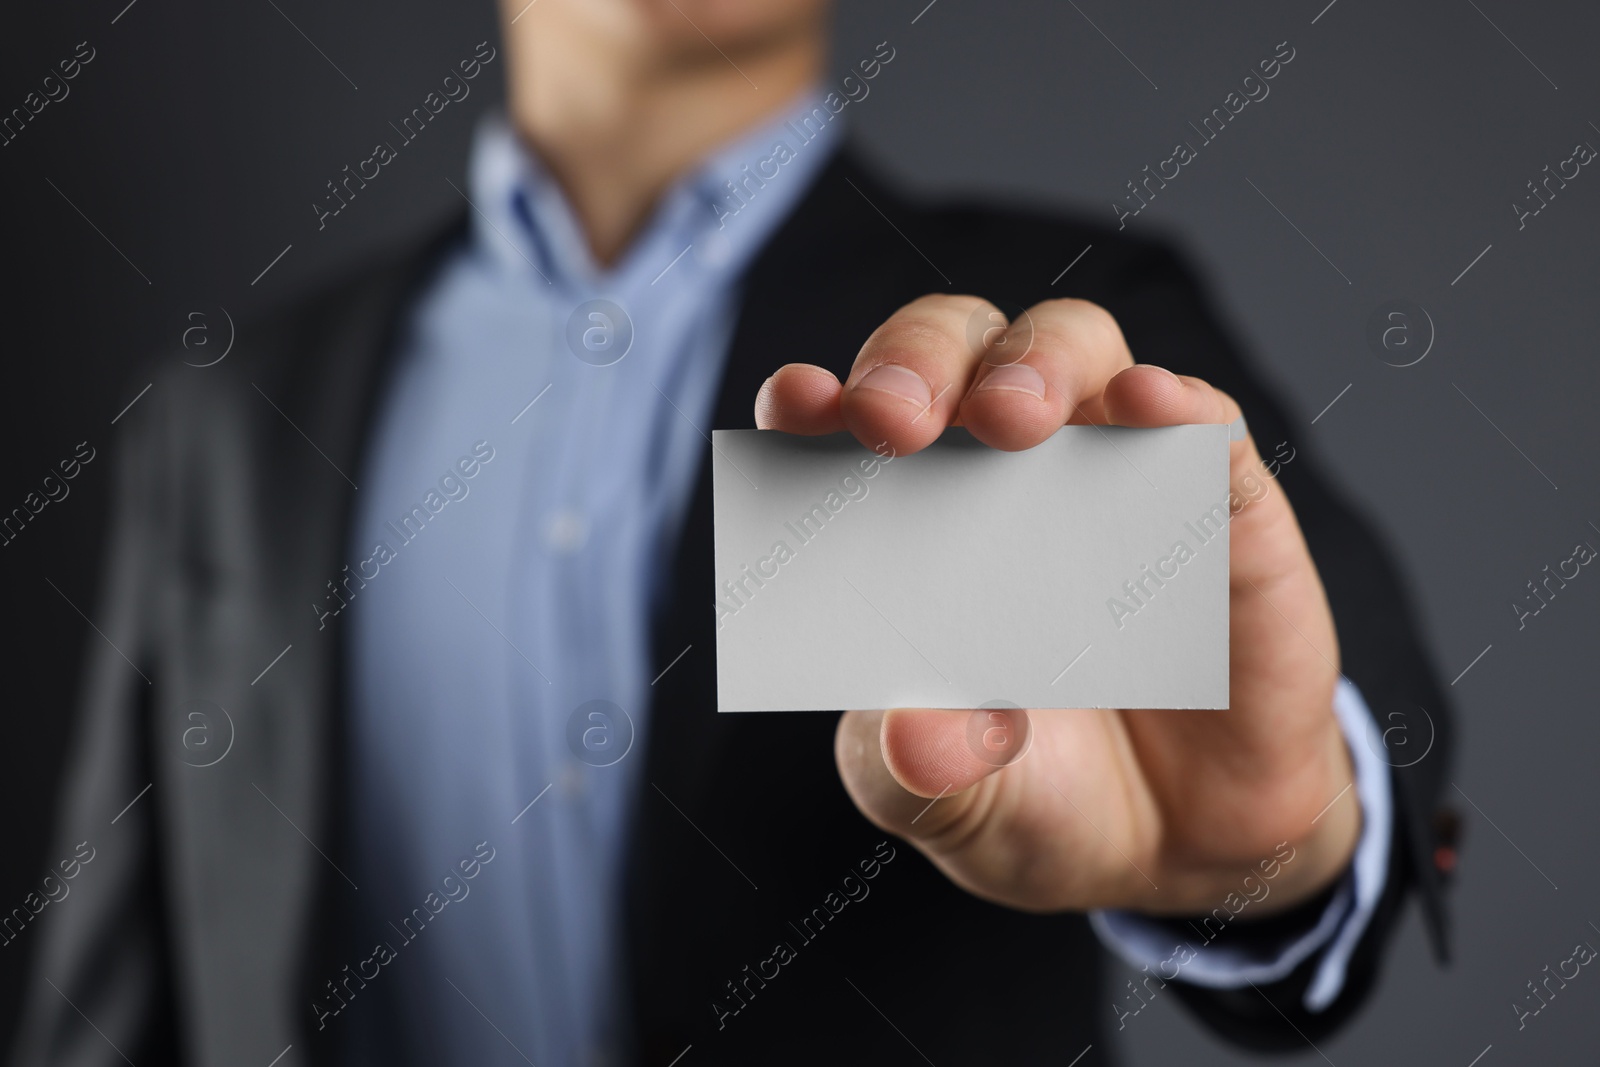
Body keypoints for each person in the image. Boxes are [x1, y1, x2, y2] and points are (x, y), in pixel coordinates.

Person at [11, 1, 1455, 1064]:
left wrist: (1282, 848)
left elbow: (1358, 695)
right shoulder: (231, 417)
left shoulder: (1063, 314)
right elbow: (112, 997)